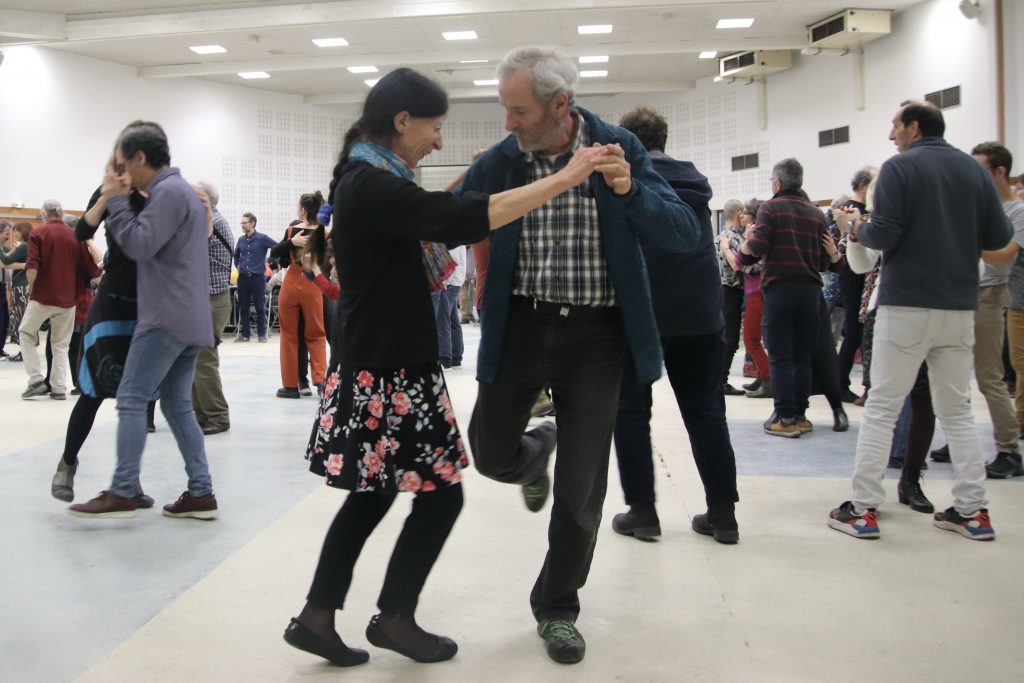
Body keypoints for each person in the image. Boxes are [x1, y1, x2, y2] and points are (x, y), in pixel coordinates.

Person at [283, 67, 608, 669]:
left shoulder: (369, 176)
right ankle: (396, 617)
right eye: (434, 129)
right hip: (392, 374)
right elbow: (453, 220)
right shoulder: (370, 184)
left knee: (372, 498)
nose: (438, 141)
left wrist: (474, 176)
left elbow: (427, 211)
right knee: (440, 498)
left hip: (378, 366)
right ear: (403, 121)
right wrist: (566, 177)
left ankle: (316, 616)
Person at [459, 46, 700, 664]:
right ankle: (533, 454)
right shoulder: (504, 160)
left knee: (582, 491)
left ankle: (558, 607)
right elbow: (452, 213)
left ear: (560, 105)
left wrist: (627, 189)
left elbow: (682, 231)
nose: (508, 122)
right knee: (488, 454)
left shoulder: (619, 145)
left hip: (597, 339)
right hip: (520, 329)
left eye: (518, 110)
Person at [827, 102, 1011, 541]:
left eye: (895, 126)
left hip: (906, 304)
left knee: (883, 407)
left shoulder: (899, 169)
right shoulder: (972, 171)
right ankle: (972, 510)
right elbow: (998, 238)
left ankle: (864, 508)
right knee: (959, 412)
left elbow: (884, 234)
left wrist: (855, 228)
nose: (891, 135)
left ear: (913, 127)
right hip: (960, 306)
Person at [69, 120, 220, 519]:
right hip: (187, 317)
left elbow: (138, 244)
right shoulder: (180, 191)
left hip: (164, 316)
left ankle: (122, 490)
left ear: (139, 158)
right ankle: (201, 493)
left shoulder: (168, 192)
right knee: (176, 406)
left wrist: (116, 201)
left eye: (123, 165)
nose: (120, 174)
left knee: (132, 400)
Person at [610, 106, 739, 544]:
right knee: (706, 411)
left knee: (630, 412)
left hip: (642, 315)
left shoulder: (626, 185)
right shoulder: (695, 185)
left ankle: (643, 513)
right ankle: (723, 515)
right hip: (702, 313)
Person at [50, 183, 157, 503]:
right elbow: (83, 230)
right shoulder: (111, 190)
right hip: (111, 305)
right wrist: (108, 196)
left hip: (147, 307)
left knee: (140, 399)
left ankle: (129, 479)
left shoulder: (162, 192)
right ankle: (67, 464)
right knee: (93, 391)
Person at [736, 160, 844, 437]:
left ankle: (784, 418)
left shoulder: (770, 208)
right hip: (810, 292)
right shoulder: (815, 213)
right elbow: (825, 260)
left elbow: (755, 250)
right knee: (801, 356)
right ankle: (799, 414)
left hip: (780, 290)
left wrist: (744, 246)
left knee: (781, 356)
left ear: (777, 183)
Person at [973, 142, 1024, 478]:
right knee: (952, 376)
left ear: (1000, 172)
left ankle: (1008, 449)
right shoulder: (979, 207)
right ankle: (960, 439)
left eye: (981, 170)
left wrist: (966, 242)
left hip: (990, 294)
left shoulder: (1017, 212)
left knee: (990, 376)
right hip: (962, 293)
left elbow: (1005, 256)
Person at [19, 200, 102, 401]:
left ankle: (36, 379)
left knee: (26, 332)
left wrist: (32, 287)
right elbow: (93, 269)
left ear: (44, 214)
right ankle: (58, 387)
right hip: (68, 301)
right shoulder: (75, 236)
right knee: (60, 344)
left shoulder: (38, 234)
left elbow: (32, 267)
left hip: (42, 296)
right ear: (61, 213)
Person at [270, 195, 327, 398]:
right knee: (317, 334)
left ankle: (291, 386)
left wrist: (291, 242)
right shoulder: (324, 233)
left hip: (292, 282)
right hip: (313, 282)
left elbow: (277, 253)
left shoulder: (292, 230)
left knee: (289, 336)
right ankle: (320, 381)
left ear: (302, 210)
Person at [233, 212, 277, 342]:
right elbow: (236, 255)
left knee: (260, 307)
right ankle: (245, 335)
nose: (242, 225)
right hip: (243, 278)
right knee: (244, 307)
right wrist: (237, 265)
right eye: (242, 223)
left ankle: (261, 335)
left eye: (244, 223)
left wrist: (270, 262)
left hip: (257, 278)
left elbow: (277, 246)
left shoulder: (262, 238)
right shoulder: (241, 240)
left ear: (252, 223)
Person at [717, 199, 746, 395]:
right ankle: (721, 381)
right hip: (732, 291)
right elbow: (740, 264)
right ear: (739, 214)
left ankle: (719, 380)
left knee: (726, 337)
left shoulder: (718, 237)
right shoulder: (735, 238)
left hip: (720, 290)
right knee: (731, 339)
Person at [1, 222, 32, 360]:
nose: (13, 235)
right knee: (18, 318)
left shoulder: (23, 246)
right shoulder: (24, 246)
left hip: (20, 287)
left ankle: (24, 351)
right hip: (20, 286)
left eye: (15, 231)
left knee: (20, 319)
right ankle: (23, 351)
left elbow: (5, 261)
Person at [432, 244, 465, 368]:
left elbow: (450, 256)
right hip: (454, 280)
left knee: (442, 319)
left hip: (447, 281)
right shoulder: (459, 233)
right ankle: (456, 356)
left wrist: (443, 280)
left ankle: (445, 357)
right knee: (452, 318)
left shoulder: (450, 234)